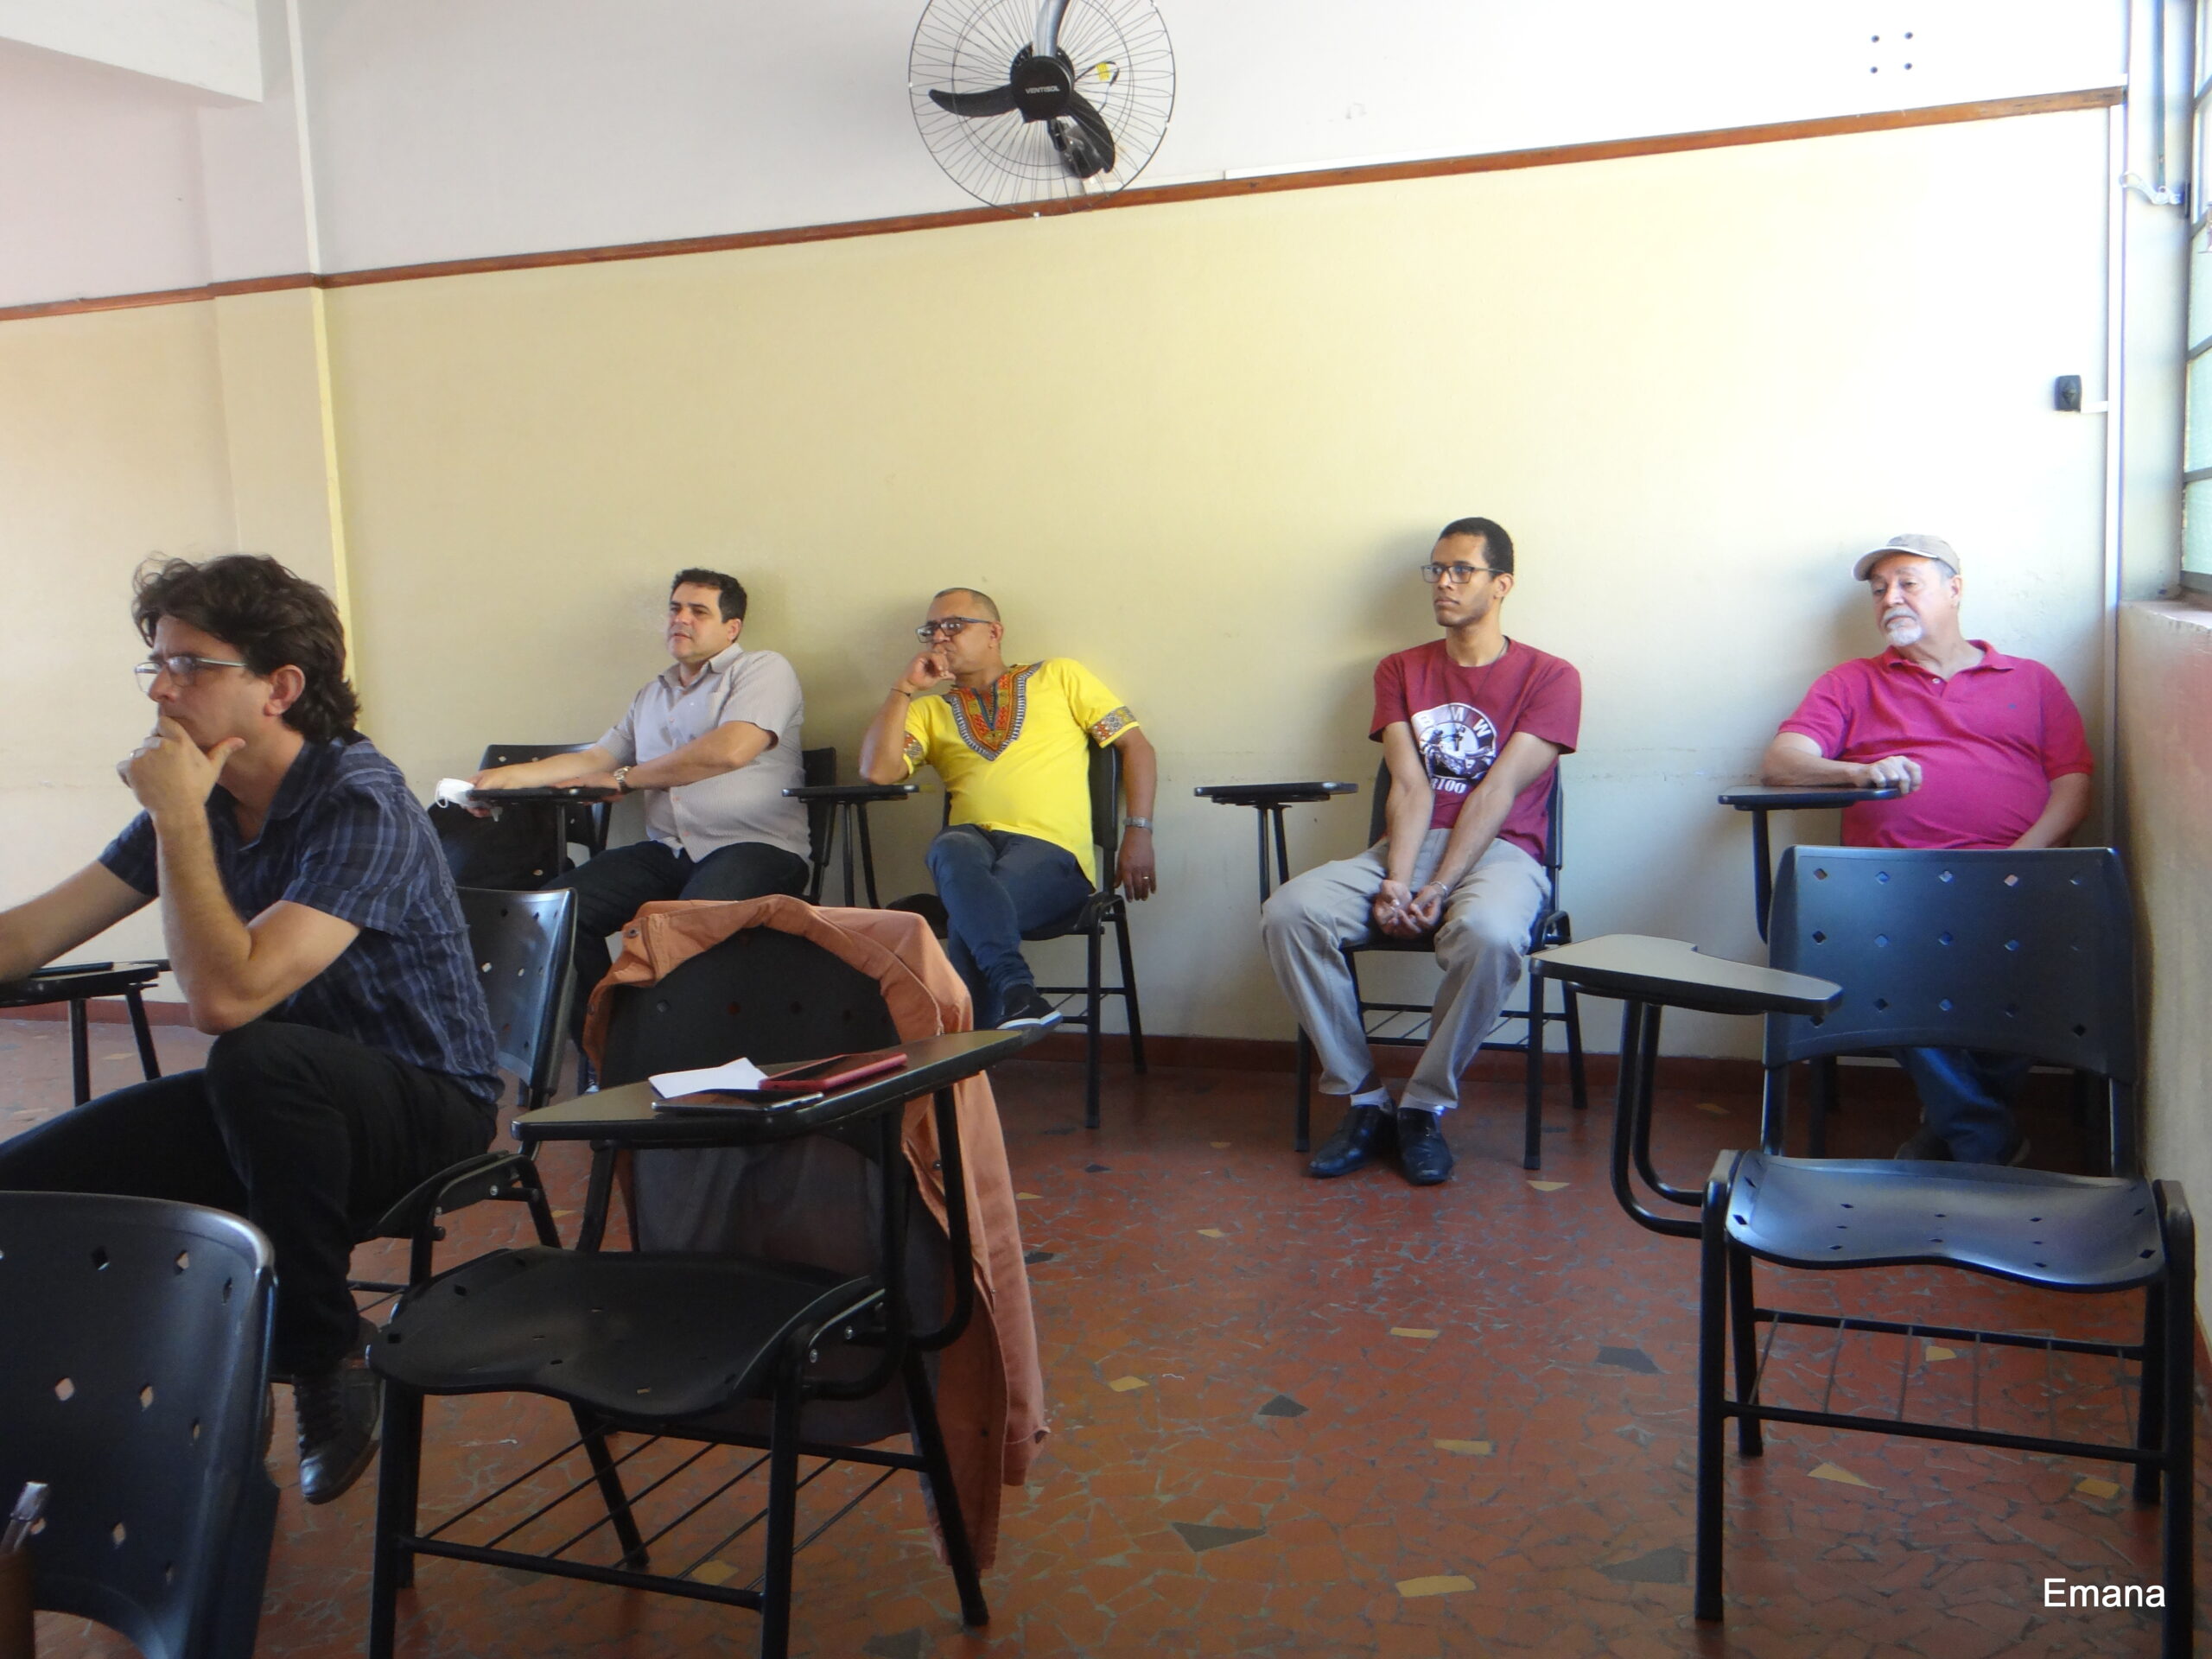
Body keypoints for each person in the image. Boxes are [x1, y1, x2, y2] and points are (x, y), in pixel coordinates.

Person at [0, 554, 500, 1504]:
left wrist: (179, 823)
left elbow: (227, 1000)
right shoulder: (205, 801)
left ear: (280, 688)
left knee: (254, 1054)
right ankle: (104, 1437)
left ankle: (322, 1353)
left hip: (422, 1107)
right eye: (156, 663)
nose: (161, 689)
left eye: (189, 665)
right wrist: (183, 821)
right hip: (272, 1108)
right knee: (18, 1192)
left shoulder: (361, 802)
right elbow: (29, 935)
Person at [1262, 518, 1581, 1187]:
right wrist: (1398, 881)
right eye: (1437, 569)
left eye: (1462, 570)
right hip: (1404, 847)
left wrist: (1438, 886)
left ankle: (1422, 1106)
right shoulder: (1401, 670)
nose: (1444, 582)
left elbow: (1496, 792)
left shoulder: (1551, 676)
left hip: (1501, 852)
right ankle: (1364, 1100)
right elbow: (1409, 786)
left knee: (1491, 934)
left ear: (1502, 584)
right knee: (1290, 912)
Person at [1761, 532, 2092, 1166]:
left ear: (1955, 589)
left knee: (2035, 958)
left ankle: (1952, 1125)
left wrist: (2019, 860)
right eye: (1879, 589)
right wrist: (1857, 771)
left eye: (1907, 583)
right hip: (1891, 887)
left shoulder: (2032, 680)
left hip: (2016, 875)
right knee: (1884, 958)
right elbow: (1783, 761)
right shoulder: (1852, 682)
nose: (1890, 598)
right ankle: (1984, 1140)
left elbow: (2073, 784)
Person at [471, 569, 810, 1029]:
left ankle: (676, 1057)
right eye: (675, 609)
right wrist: (501, 778)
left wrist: (626, 779)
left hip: (756, 847)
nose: (681, 619)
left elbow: (731, 750)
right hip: (670, 851)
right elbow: (596, 757)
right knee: (553, 912)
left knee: (684, 928)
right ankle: (604, 1049)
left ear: (732, 628)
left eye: (698, 611)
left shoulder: (763, 669)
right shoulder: (652, 694)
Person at [856, 588, 1157, 1027]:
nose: (939, 637)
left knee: (968, 916)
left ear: (994, 633)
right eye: (931, 629)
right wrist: (903, 689)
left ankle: (978, 1047)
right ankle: (1017, 994)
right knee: (951, 846)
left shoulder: (1059, 676)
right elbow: (877, 771)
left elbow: (1136, 747)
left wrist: (1139, 830)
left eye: (954, 625)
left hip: (1054, 857)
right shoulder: (929, 711)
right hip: (971, 849)